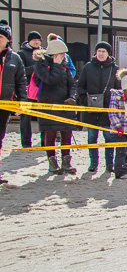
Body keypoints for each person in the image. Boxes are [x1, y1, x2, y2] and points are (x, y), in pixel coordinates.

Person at [32, 37, 77, 174]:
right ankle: (52, 163)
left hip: (64, 105)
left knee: (66, 134)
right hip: (48, 106)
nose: (64, 57)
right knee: (50, 135)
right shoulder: (40, 65)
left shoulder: (65, 66)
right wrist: (56, 65)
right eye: (61, 54)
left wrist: (72, 97)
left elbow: (72, 83)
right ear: (54, 54)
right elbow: (50, 80)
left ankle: (66, 162)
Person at [77, 41, 119, 173]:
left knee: (109, 138)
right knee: (91, 138)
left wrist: (114, 103)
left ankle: (109, 164)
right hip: (91, 109)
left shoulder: (114, 68)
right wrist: (84, 99)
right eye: (99, 51)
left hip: (108, 110)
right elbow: (80, 86)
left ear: (108, 53)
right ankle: (93, 163)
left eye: (104, 51)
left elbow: (118, 88)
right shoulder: (88, 67)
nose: (101, 54)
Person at [0, 20, 28, 183]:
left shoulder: (15, 59)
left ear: (8, 40)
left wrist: (21, 102)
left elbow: (21, 82)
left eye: (2, 37)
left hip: (5, 104)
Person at [16, 30, 43, 148]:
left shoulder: (43, 53)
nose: (37, 42)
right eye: (34, 40)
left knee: (43, 116)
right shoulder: (22, 54)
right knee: (25, 117)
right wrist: (34, 67)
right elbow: (20, 71)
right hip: (27, 89)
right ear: (29, 41)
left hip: (41, 89)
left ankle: (44, 142)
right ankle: (26, 143)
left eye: (38, 40)